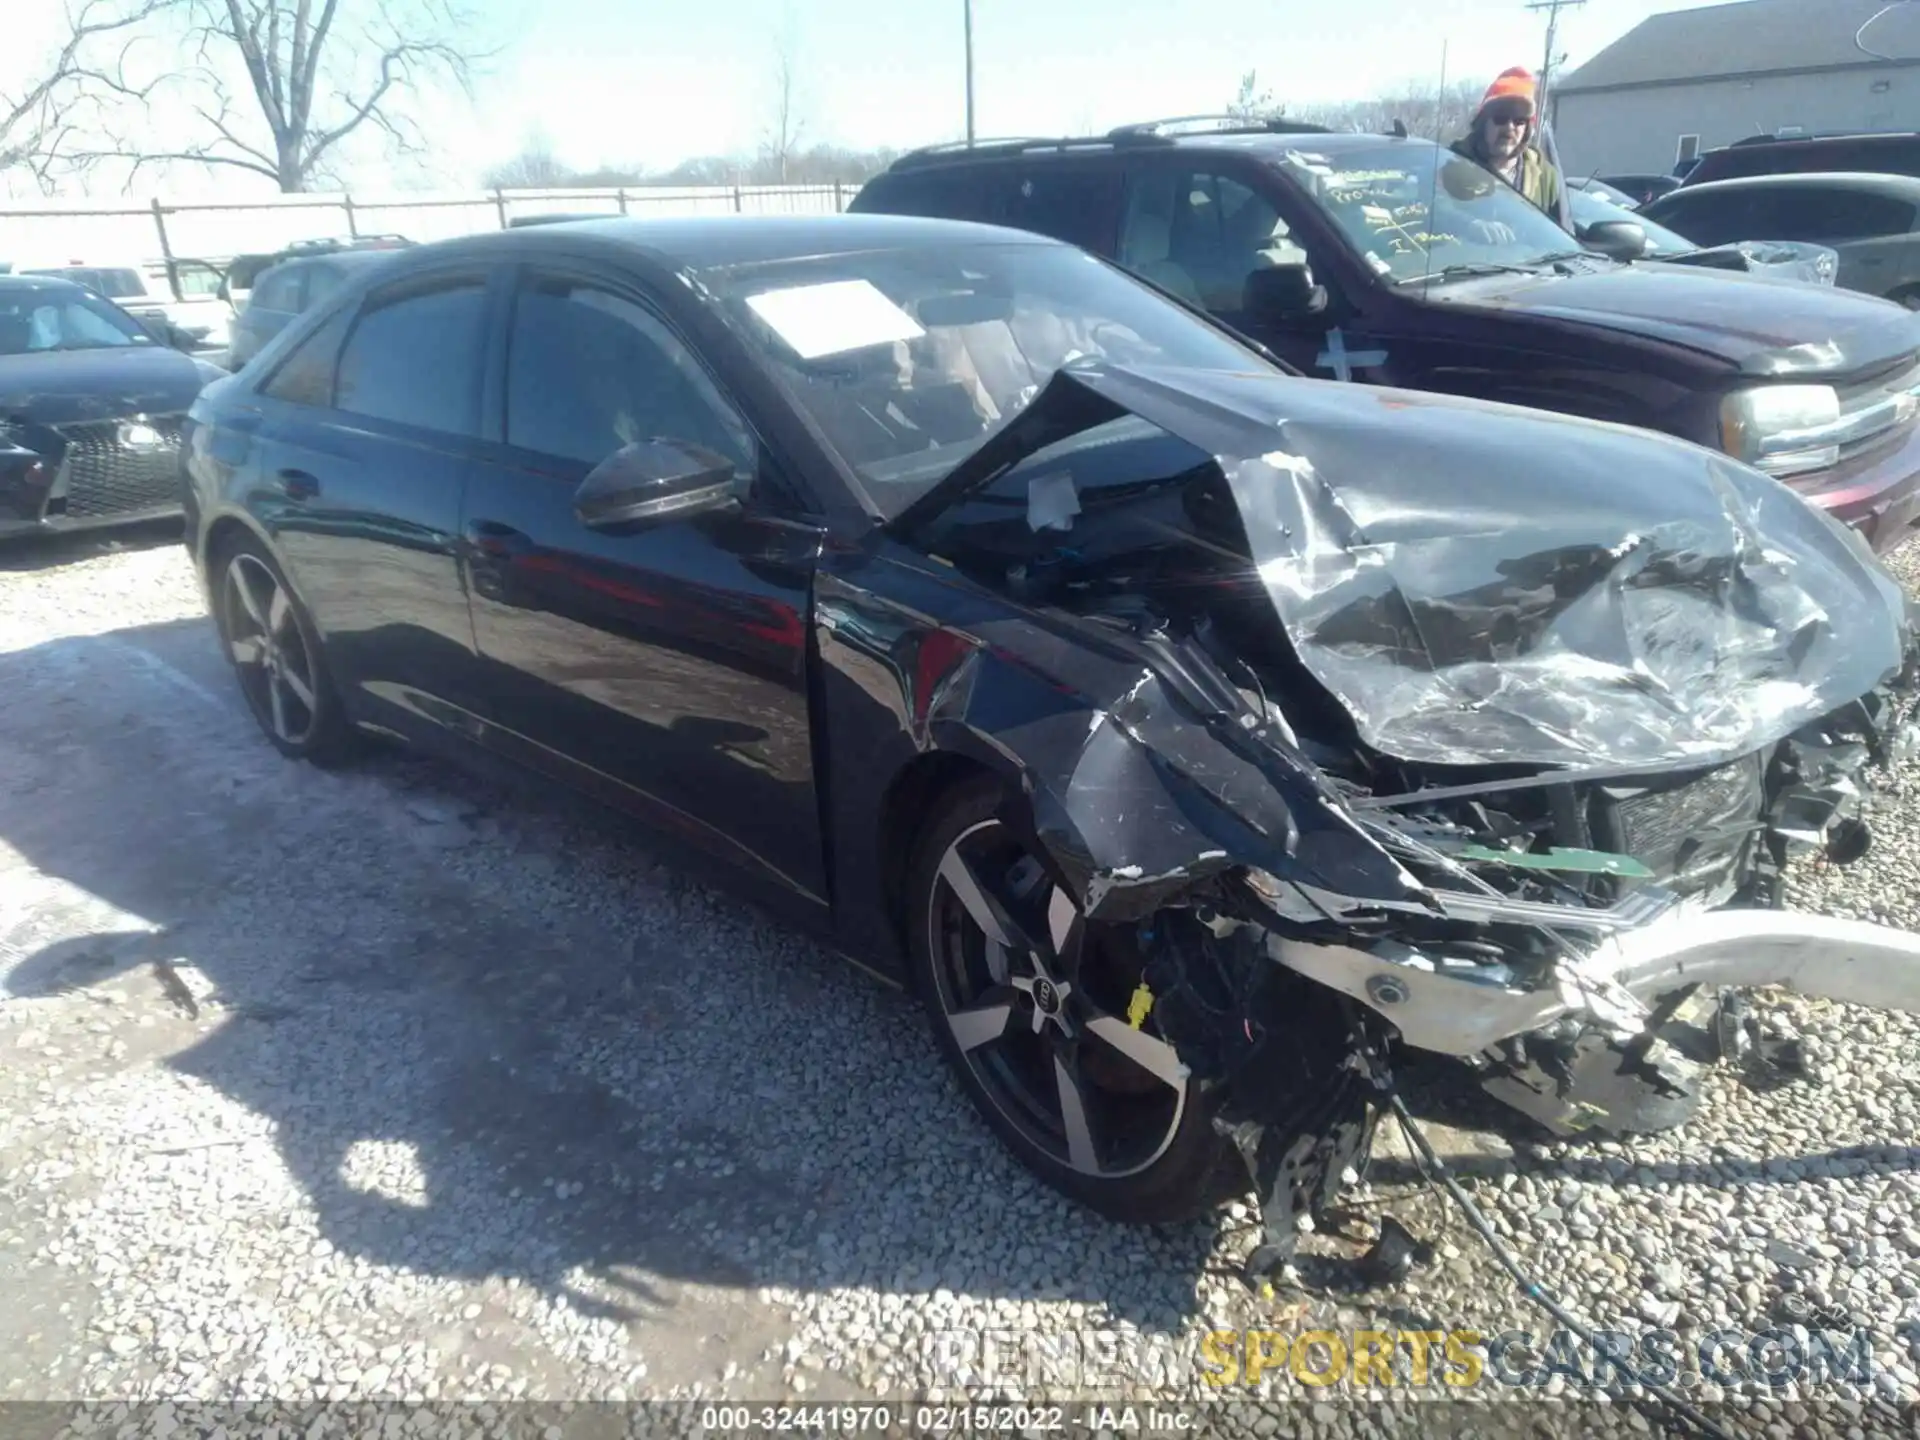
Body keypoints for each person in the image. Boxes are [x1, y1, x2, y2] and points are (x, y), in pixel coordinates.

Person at [1450, 67, 1562, 219]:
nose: (1509, 127)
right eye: (1500, 119)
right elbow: (1436, 210)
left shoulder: (1546, 178)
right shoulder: (1454, 166)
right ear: (1483, 124)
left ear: (1527, 129)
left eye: (1519, 121)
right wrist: (1470, 225)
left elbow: (1563, 232)